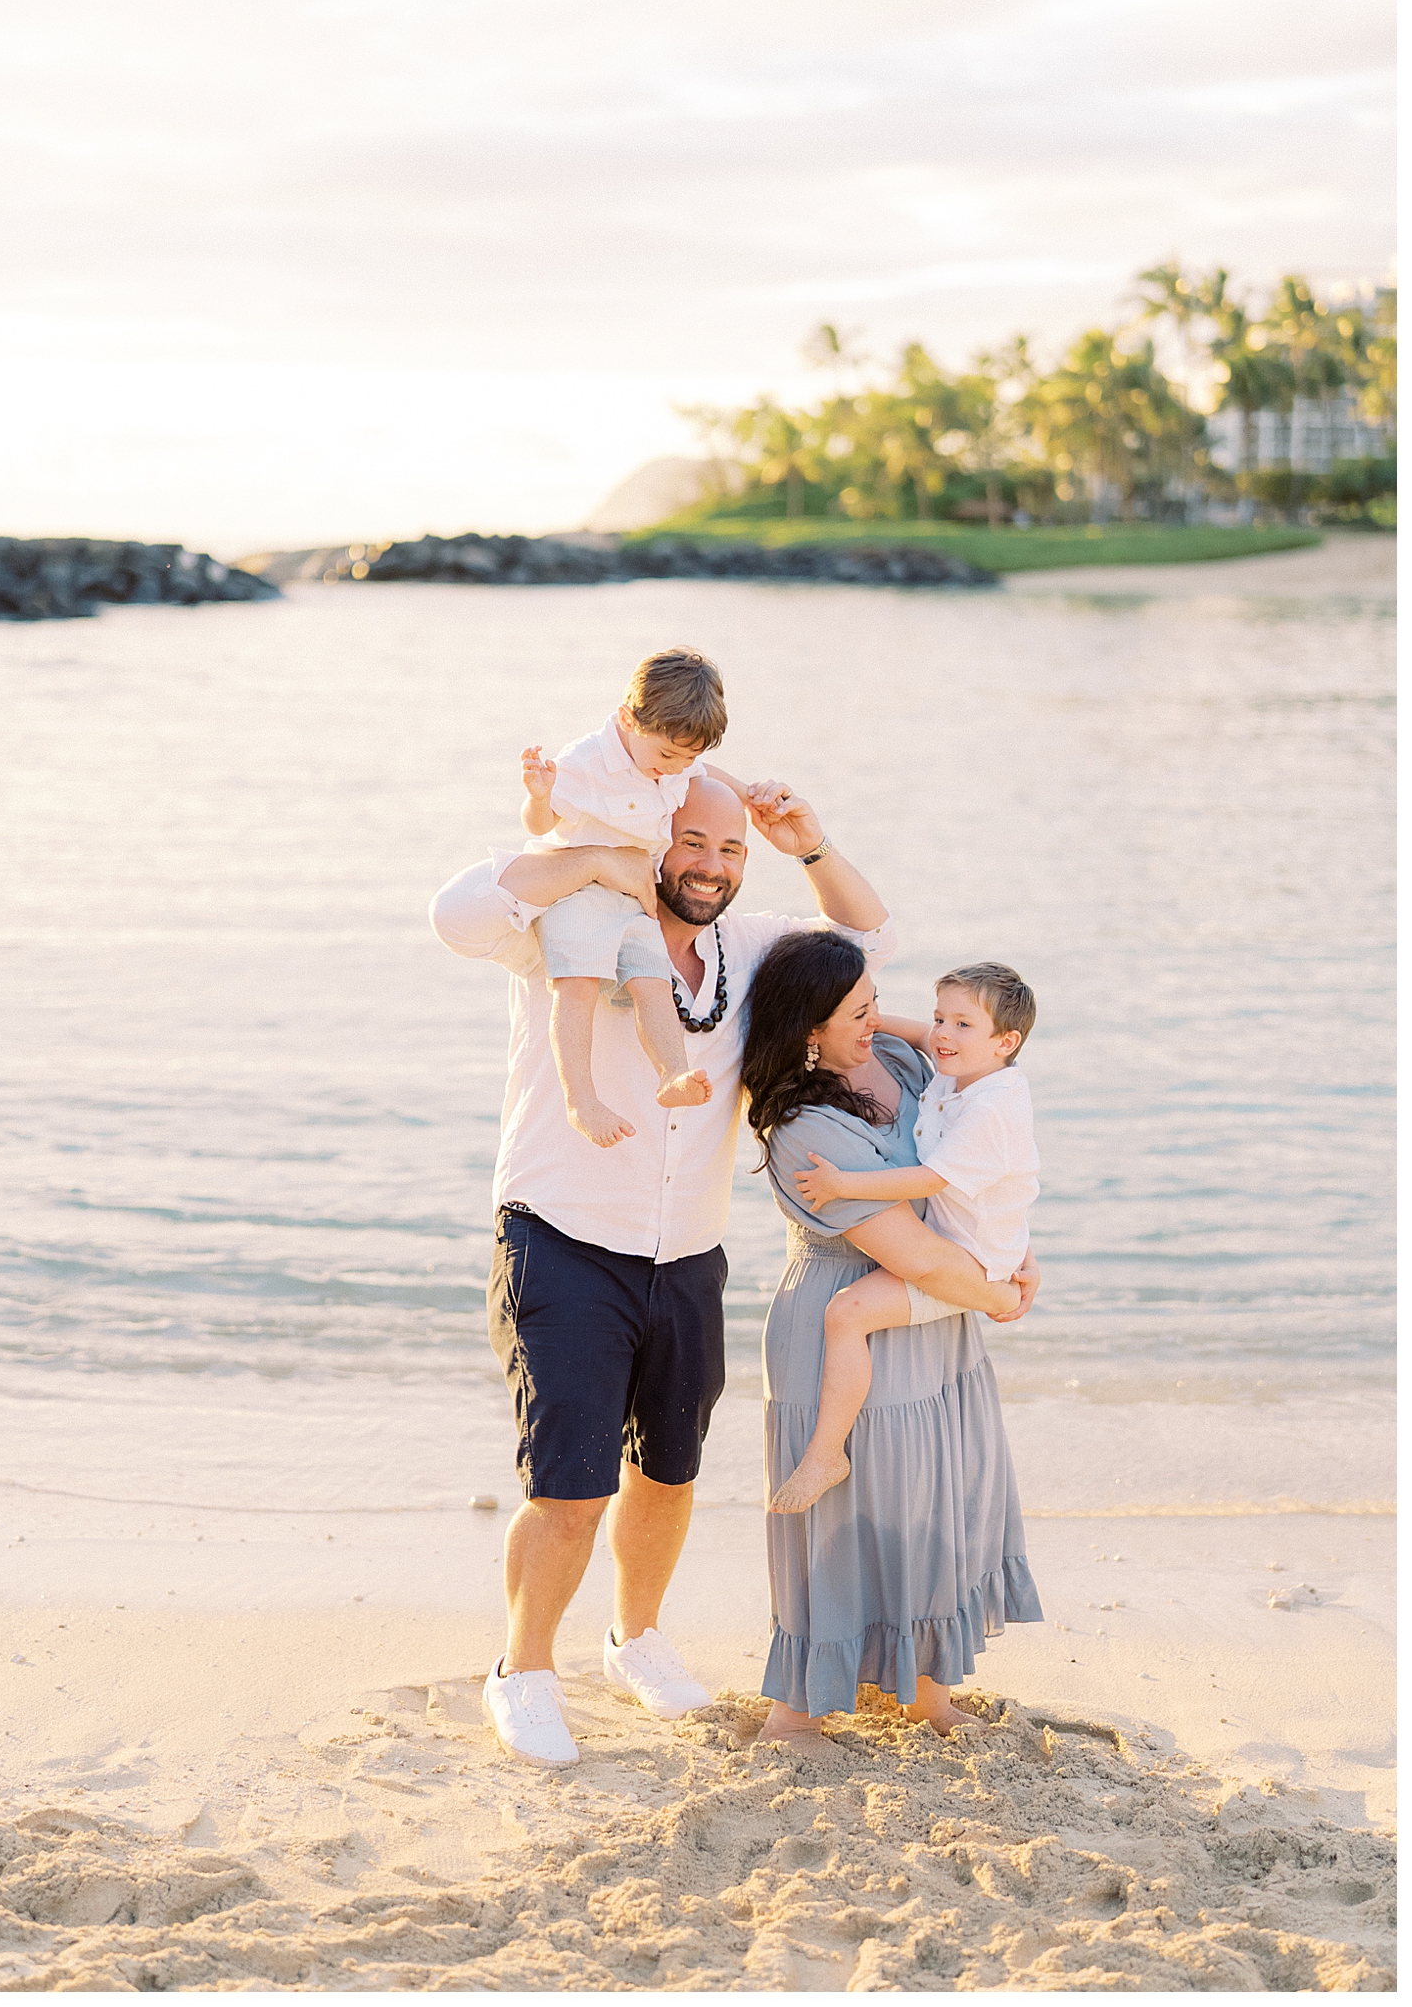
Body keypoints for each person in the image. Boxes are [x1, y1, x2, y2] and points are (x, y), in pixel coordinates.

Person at [429, 774, 964, 1765]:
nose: (710, 864)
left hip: (685, 1254)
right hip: (563, 1235)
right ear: (647, 839)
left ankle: (635, 1641)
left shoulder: (749, 949)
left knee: (666, 1474)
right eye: (691, 842)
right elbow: (457, 913)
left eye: (728, 848)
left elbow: (865, 945)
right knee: (569, 1489)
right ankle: (525, 1670)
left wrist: (809, 845)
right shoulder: (573, 926)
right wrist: (588, 856)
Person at [740, 931, 1043, 1740]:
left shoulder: (905, 1064)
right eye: (859, 1011)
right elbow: (908, 1245)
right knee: (839, 1521)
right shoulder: (804, 1125)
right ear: (809, 1027)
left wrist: (1014, 1251)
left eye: (877, 1002)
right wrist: (995, 1291)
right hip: (857, 1304)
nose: (882, 1020)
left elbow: (976, 1174)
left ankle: (923, 1695)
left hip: (933, 1311)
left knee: (923, 1507)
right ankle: (796, 1714)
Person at [772, 961, 1040, 1512]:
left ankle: (826, 1452)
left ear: (1006, 1042)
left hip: (969, 1259)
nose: (941, 1034)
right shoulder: (968, 1068)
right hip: (975, 1239)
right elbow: (919, 1034)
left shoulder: (990, 1107)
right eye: (940, 1017)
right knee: (850, 1314)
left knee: (848, 1314)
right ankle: (826, 1453)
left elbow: (934, 1178)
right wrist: (850, 1019)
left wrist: (845, 1183)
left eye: (962, 1025)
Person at [517, 645, 786, 1147]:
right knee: (576, 989)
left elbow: (707, 775)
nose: (675, 768)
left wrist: (752, 795)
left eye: (689, 757)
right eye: (667, 754)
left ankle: (671, 1074)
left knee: (652, 985)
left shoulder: (677, 761)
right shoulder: (586, 762)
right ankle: (582, 1099)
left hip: (634, 896)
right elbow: (541, 824)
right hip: (580, 893)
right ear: (628, 718)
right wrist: (538, 794)